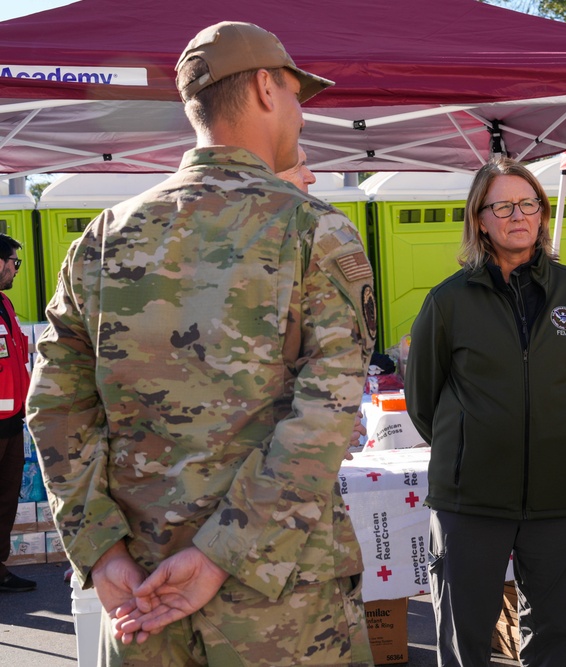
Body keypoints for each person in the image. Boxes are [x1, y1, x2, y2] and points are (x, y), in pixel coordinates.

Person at [26, 21, 377, 665]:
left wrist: (101, 549)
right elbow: (323, 417)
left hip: (141, 595)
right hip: (280, 604)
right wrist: (220, 554)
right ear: (267, 88)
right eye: (299, 95)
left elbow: (55, 408)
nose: (301, 116)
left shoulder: (103, 238)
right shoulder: (313, 230)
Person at [405, 156, 566, 667]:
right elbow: (423, 399)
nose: (519, 215)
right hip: (471, 501)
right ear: (480, 219)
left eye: (529, 203)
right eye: (504, 206)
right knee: (464, 637)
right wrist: (472, 445)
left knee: (557, 636)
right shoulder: (448, 302)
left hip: (561, 498)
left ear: (541, 212)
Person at [0, 235, 33, 594]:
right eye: (14, 262)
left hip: (10, 424)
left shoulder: (4, 303)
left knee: (7, 498)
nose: (15, 269)